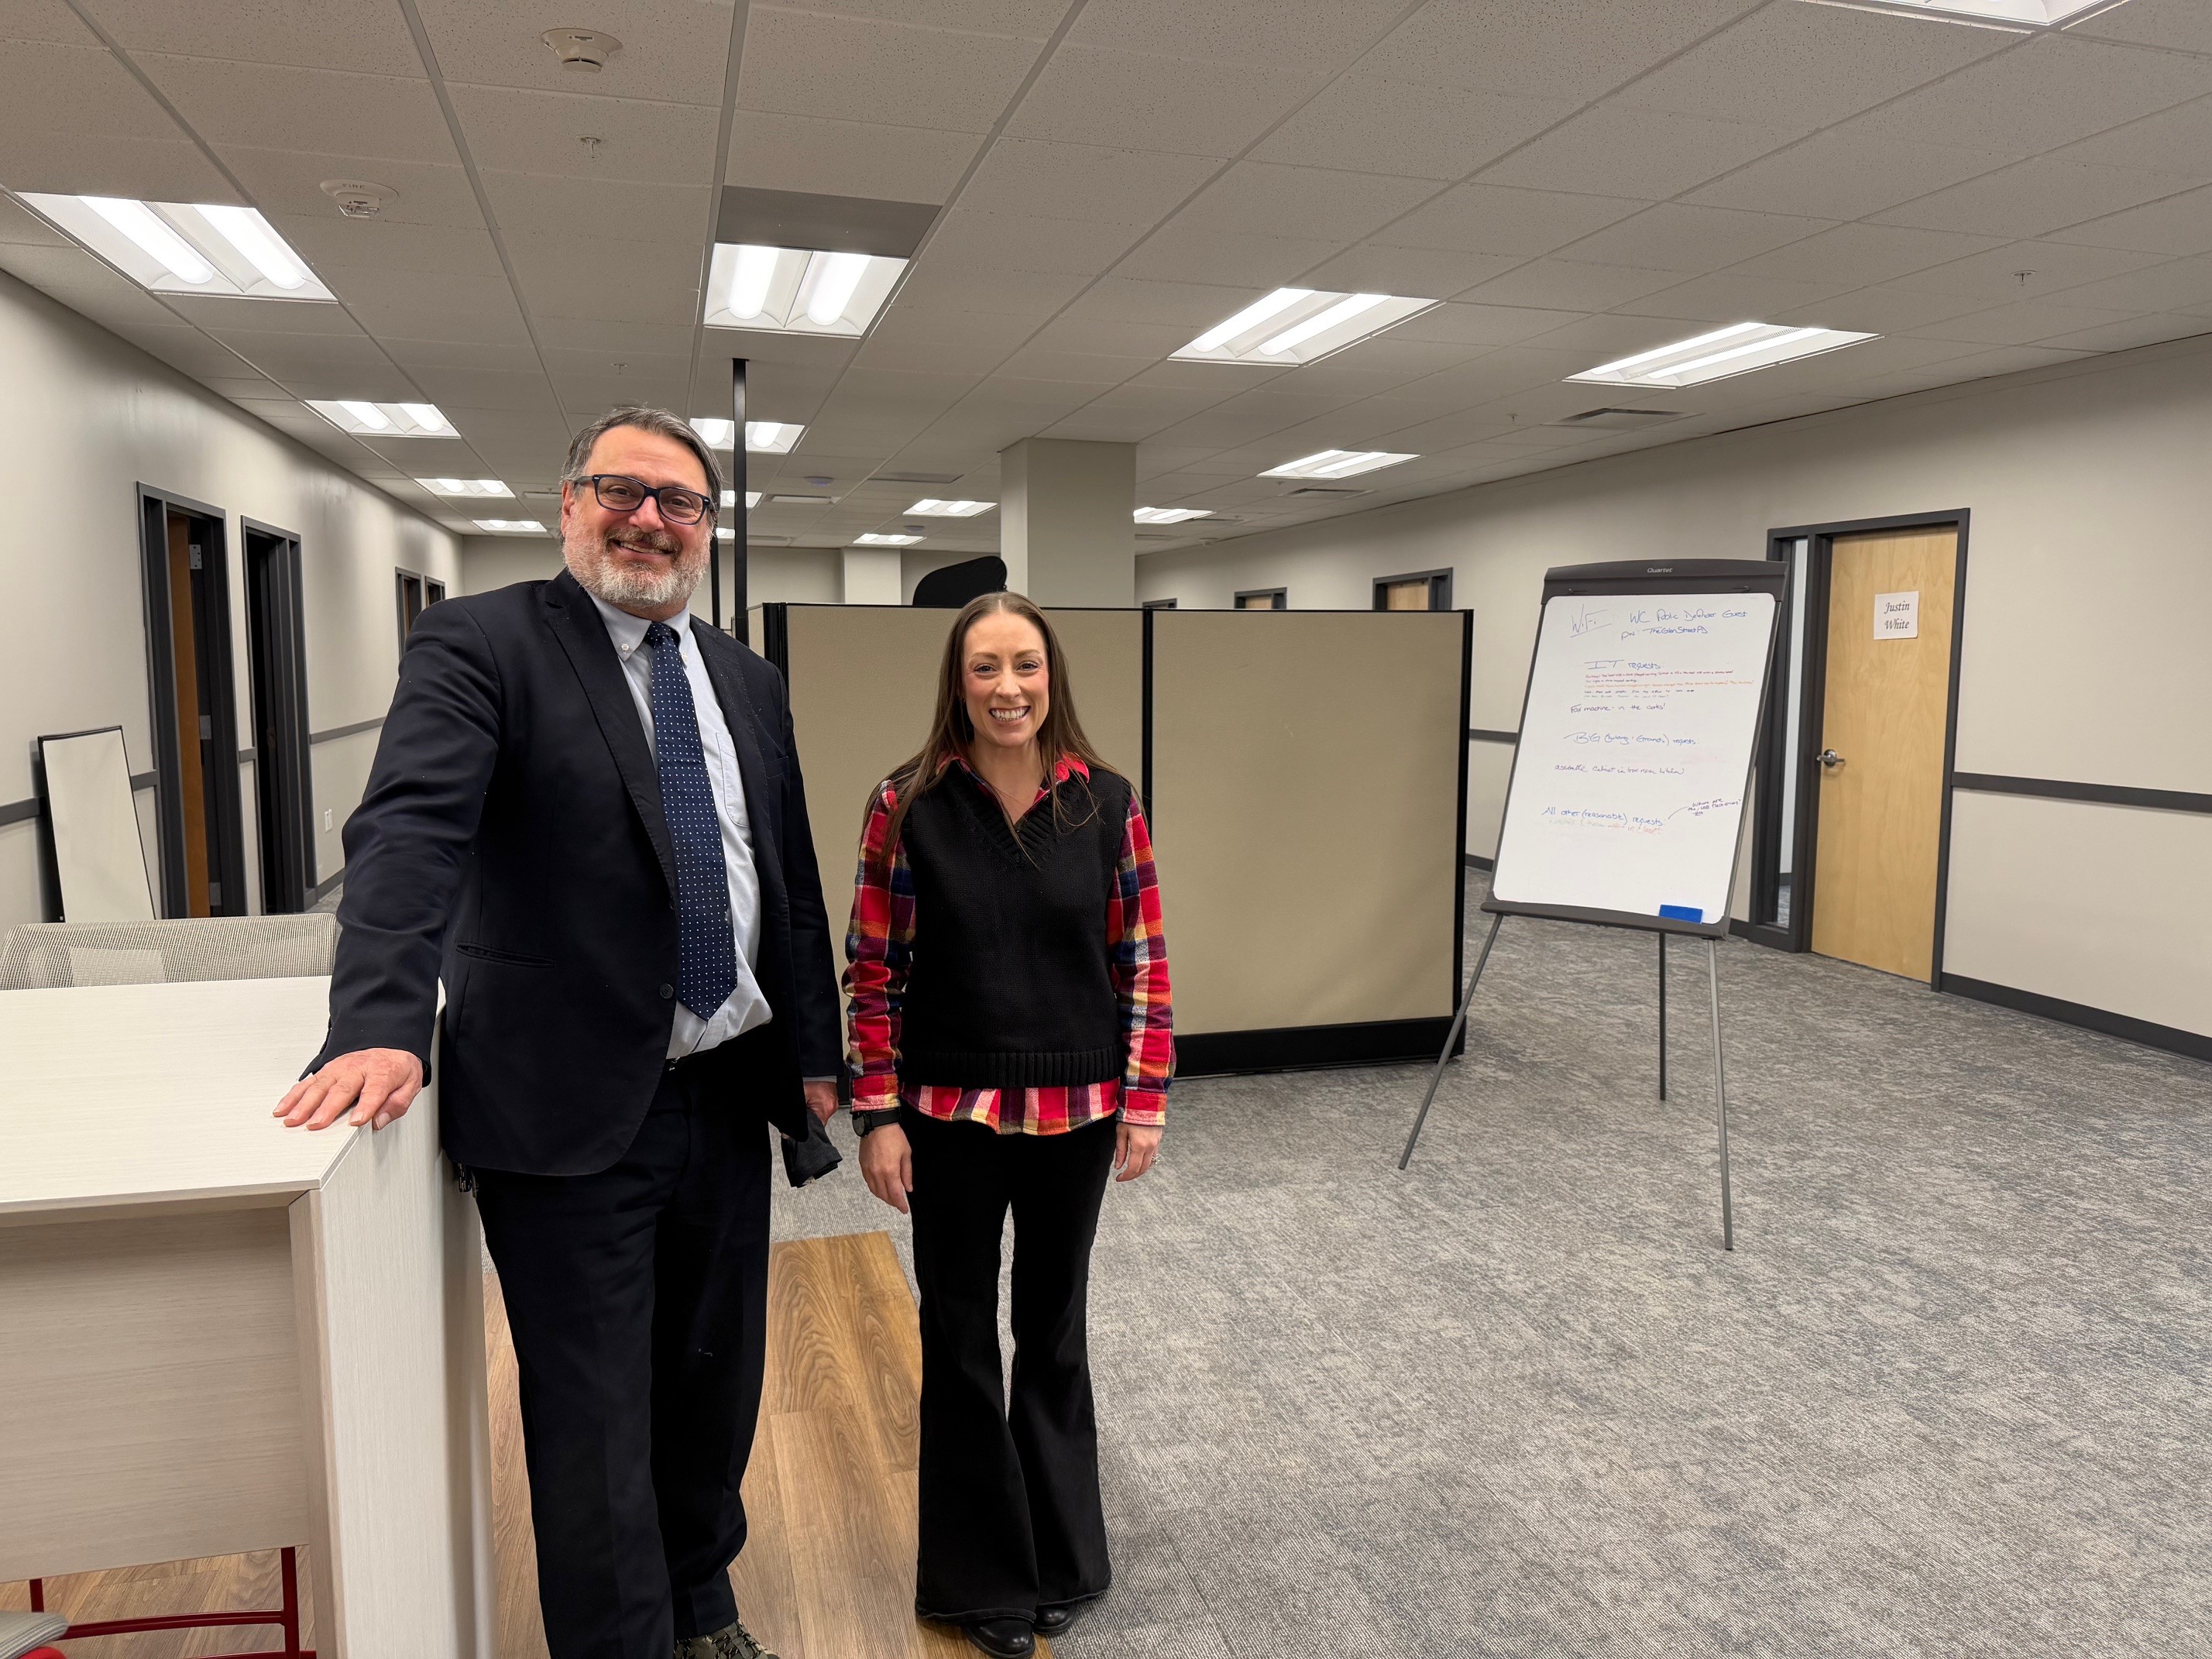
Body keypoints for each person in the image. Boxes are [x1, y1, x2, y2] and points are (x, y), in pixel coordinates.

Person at [275, 406, 843, 1659]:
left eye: (679, 501)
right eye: (619, 489)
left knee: (712, 1386)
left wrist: (816, 1051)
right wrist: (378, 1018)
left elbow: (782, 876)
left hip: (721, 1089)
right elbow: (409, 833)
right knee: (590, 1422)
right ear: (568, 500)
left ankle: (700, 1595)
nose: (648, 518)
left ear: (706, 527)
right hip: (567, 1102)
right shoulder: (481, 644)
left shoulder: (744, 676)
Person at [845, 593, 1173, 1659]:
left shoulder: (1110, 801)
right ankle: (979, 1573)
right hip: (946, 1114)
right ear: (958, 680)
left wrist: (1148, 1094)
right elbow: (874, 970)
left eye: (1024, 664)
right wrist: (878, 1113)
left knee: (1053, 1328)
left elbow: (1143, 961)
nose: (1007, 687)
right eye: (985, 667)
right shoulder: (906, 803)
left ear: (1051, 674)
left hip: (1077, 1109)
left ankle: (1065, 1554)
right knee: (957, 1334)